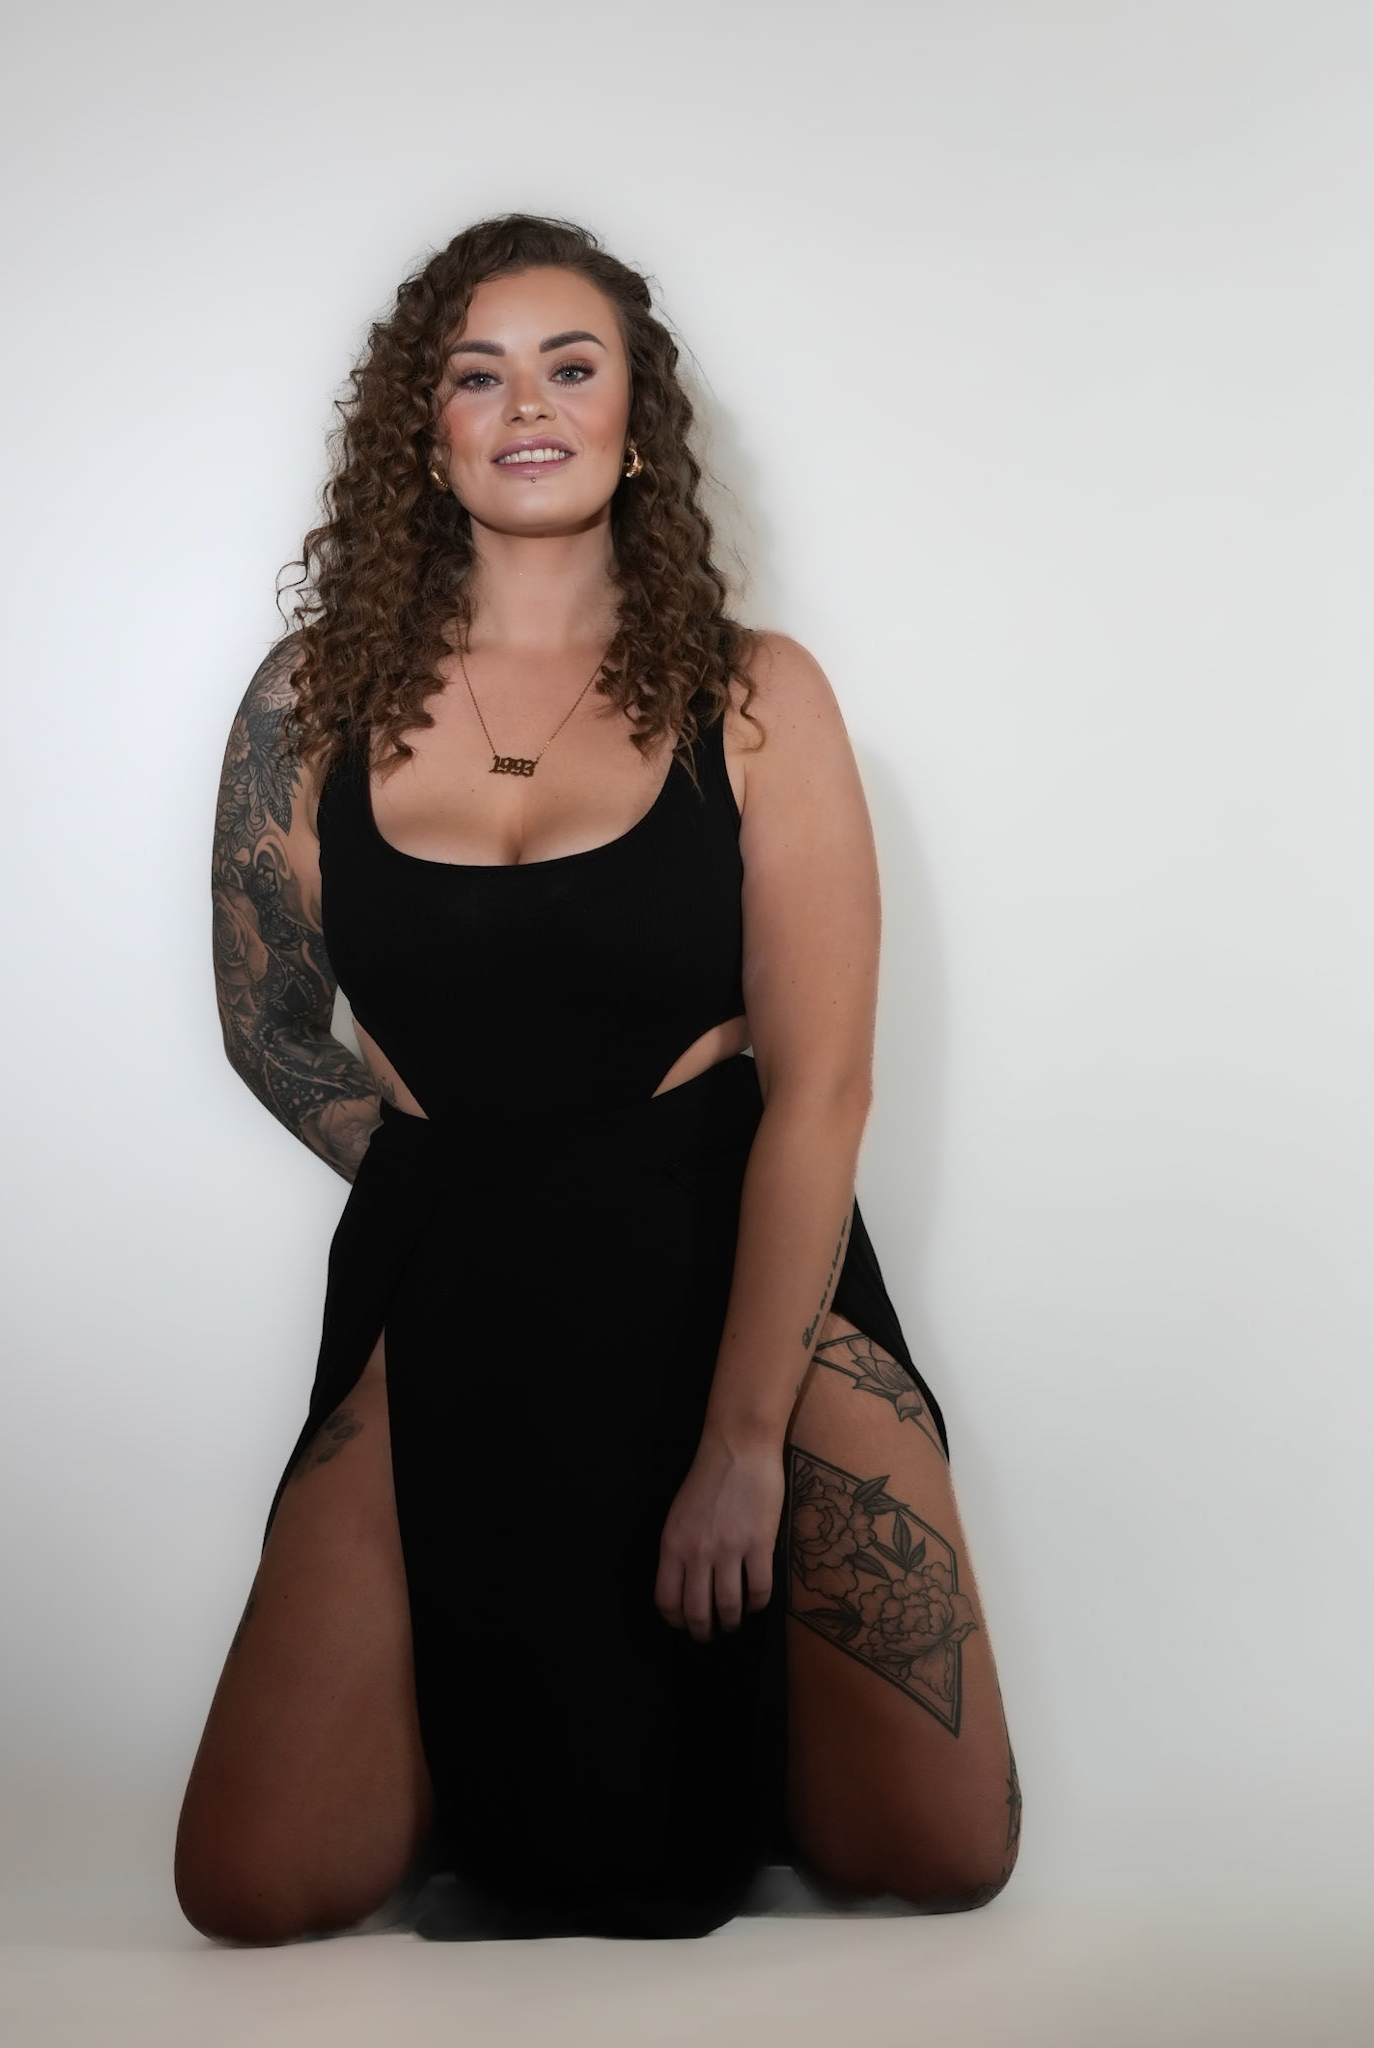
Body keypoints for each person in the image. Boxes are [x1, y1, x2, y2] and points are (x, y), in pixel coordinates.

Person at [175, 214, 1021, 1943]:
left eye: (573, 365)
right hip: (454, 1266)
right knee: (252, 1887)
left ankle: (726, 1733)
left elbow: (823, 1090)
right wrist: (449, 1183)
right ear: (424, 434)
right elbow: (268, 1024)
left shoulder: (756, 697)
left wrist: (743, 1445)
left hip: (732, 1253)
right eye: (477, 375)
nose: (529, 405)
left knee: (941, 1853)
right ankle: (488, 1741)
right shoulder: (308, 706)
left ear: (640, 420)